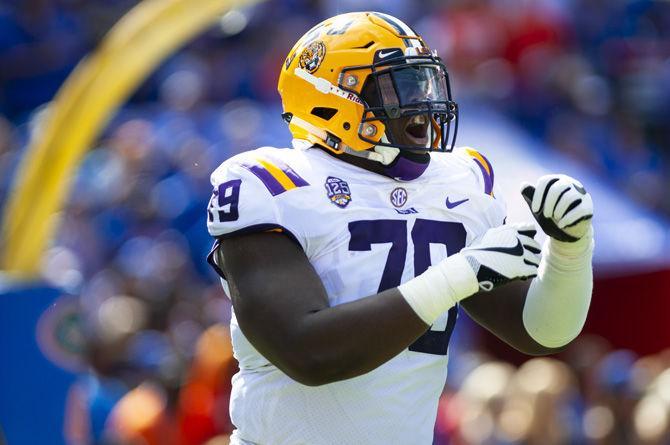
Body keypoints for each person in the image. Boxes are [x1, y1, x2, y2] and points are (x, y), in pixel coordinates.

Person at [206, 12, 594, 445]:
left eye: (424, 83)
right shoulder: (274, 184)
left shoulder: (459, 182)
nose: (423, 103)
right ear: (331, 99)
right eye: (398, 87)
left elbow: (540, 332)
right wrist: (457, 277)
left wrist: (570, 250)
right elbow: (309, 352)